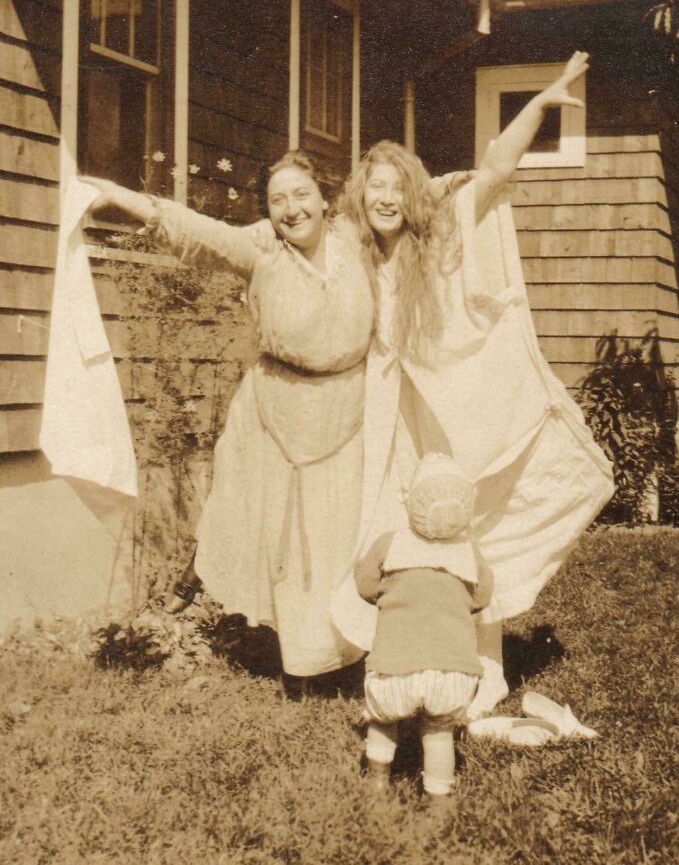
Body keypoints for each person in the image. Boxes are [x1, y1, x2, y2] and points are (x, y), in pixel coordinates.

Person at [331, 52, 615, 719]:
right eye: (374, 186)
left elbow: (494, 171)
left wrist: (540, 105)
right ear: (360, 194)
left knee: (475, 523)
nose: (385, 197)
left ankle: (479, 665)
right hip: (400, 415)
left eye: (396, 185)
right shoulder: (358, 249)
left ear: (413, 191)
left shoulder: (446, 229)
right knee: (403, 527)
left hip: (465, 406)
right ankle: (407, 655)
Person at [81, 151, 375, 693]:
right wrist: (123, 198)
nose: (292, 209)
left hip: (352, 410)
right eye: (278, 200)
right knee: (290, 541)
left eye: (301, 195)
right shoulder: (261, 253)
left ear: (325, 199)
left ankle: (351, 653)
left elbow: (410, 206)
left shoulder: (357, 244)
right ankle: (304, 668)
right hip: (278, 415)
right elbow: (200, 232)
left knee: (343, 536)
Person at [354, 453, 493, 803]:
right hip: (452, 673)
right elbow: (482, 598)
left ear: (413, 502)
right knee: (438, 732)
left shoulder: (390, 542)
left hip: (394, 669)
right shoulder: (469, 550)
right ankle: (438, 803)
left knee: (383, 722)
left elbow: (365, 585)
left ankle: (377, 781)